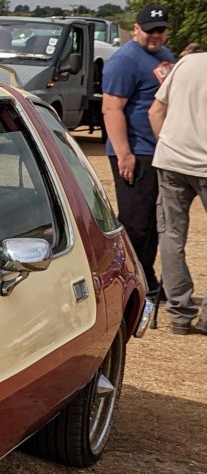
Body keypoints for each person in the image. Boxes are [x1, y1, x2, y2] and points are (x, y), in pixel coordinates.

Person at [102, 3, 175, 305]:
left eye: (160, 30)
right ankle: (133, 285)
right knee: (135, 224)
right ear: (135, 29)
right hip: (137, 152)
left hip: (159, 152)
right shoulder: (124, 61)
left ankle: (145, 281)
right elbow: (111, 108)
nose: (156, 35)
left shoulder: (165, 56)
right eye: (149, 30)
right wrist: (124, 154)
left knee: (155, 224)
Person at [149, 49, 207, 335]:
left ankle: (180, 315)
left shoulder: (185, 63)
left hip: (172, 160)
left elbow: (155, 111)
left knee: (171, 236)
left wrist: (168, 144)